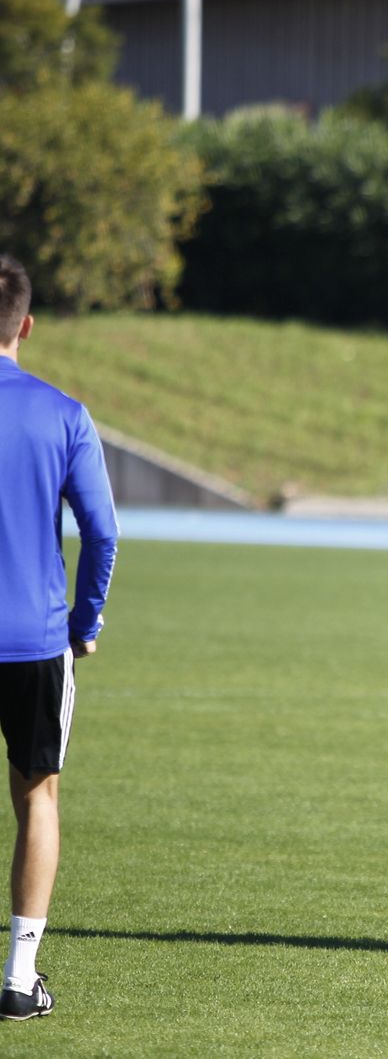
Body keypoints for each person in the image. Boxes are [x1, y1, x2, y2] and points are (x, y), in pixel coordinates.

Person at [0, 256, 119, 1021]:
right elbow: (103, 532)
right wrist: (86, 623)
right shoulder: (63, 412)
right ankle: (17, 977)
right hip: (34, 640)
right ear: (27, 323)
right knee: (37, 794)